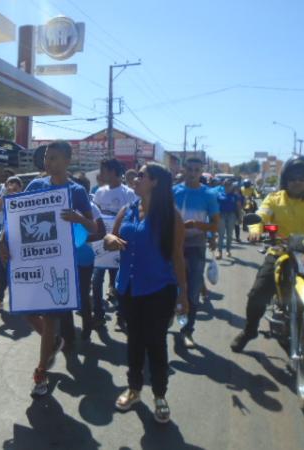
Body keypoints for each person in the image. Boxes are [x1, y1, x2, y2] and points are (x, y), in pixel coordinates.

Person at [231, 156, 304, 385]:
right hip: (282, 253)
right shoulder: (274, 199)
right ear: (285, 180)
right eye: (292, 178)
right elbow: (261, 215)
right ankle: (250, 330)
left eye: (302, 177)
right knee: (257, 294)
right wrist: (255, 228)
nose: (297, 181)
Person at [0, 140, 97, 397]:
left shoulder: (77, 192)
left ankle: (41, 371)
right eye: (46, 158)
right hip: (32, 260)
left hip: (59, 263)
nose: (48, 162)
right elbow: (16, 218)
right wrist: (3, 238)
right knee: (26, 310)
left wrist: (77, 218)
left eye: (54, 157)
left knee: (51, 317)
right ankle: (54, 342)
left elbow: (93, 228)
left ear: (67, 161)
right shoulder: (35, 185)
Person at [104, 162, 188, 423]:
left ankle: (160, 395)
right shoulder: (127, 210)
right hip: (128, 289)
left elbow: (177, 256)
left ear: (155, 182)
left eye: (141, 176)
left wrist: (184, 295)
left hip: (158, 290)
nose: (135, 178)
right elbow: (109, 239)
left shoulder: (171, 216)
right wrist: (110, 240)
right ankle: (134, 389)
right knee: (134, 342)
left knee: (156, 343)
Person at [173, 157, 220, 349]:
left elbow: (215, 225)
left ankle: (187, 331)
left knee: (192, 290)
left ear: (201, 172)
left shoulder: (208, 194)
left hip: (196, 246)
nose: (193, 173)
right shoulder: (173, 191)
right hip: (174, 244)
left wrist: (196, 225)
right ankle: (170, 319)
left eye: (197, 170)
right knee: (170, 287)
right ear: (184, 169)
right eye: (190, 169)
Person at [92, 159, 137, 330]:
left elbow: (132, 218)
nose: (102, 174)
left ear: (114, 172)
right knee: (96, 281)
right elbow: (95, 217)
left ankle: (121, 316)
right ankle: (98, 315)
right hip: (101, 245)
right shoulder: (98, 192)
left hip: (119, 246)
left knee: (120, 283)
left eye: (104, 170)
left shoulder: (129, 193)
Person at [60, 173, 105, 342]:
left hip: (84, 258)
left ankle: (87, 327)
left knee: (83, 296)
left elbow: (101, 232)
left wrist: (82, 238)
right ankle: (68, 336)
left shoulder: (92, 208)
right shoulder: (59, 204)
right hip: (63, 258)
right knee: (65, 296)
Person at [0, 176, 24, 311]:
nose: (12, 187)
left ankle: (24, 299)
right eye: (10, 184)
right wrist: (5, 195)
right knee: (4, 269)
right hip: (6, 238)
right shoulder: (5, 198)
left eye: (16, 185)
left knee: (21, 270)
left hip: (22, 240)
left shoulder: (26, 199)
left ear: (21, 188)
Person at [216, 179, 242, 259]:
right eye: (226, 184)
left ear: (232, 186)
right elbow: (215, 206)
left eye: (229, 184)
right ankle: (219, 252)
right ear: (223, 185)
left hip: (232, 215)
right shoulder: (219, 194)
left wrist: (240, 217)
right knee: (221, 234)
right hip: (221, 215)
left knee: (229, 234)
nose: (227, 186)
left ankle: (228, 250)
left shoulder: (235, 196)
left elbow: (238, 207)